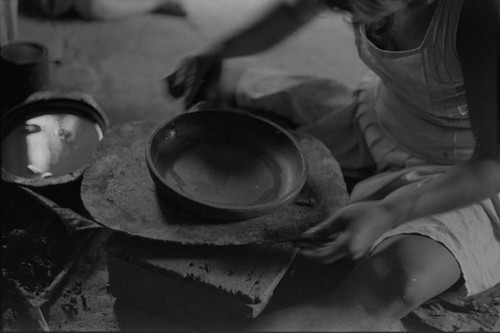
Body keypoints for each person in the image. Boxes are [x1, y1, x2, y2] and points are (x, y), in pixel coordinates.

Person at [167, 0, 500, 331]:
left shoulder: (482, 14)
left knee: (396, 280)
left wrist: (392, 210)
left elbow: (493, 164)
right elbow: (292, 11)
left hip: (461, 175)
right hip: (376, 118)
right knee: (225, 111)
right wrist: (218, 50)